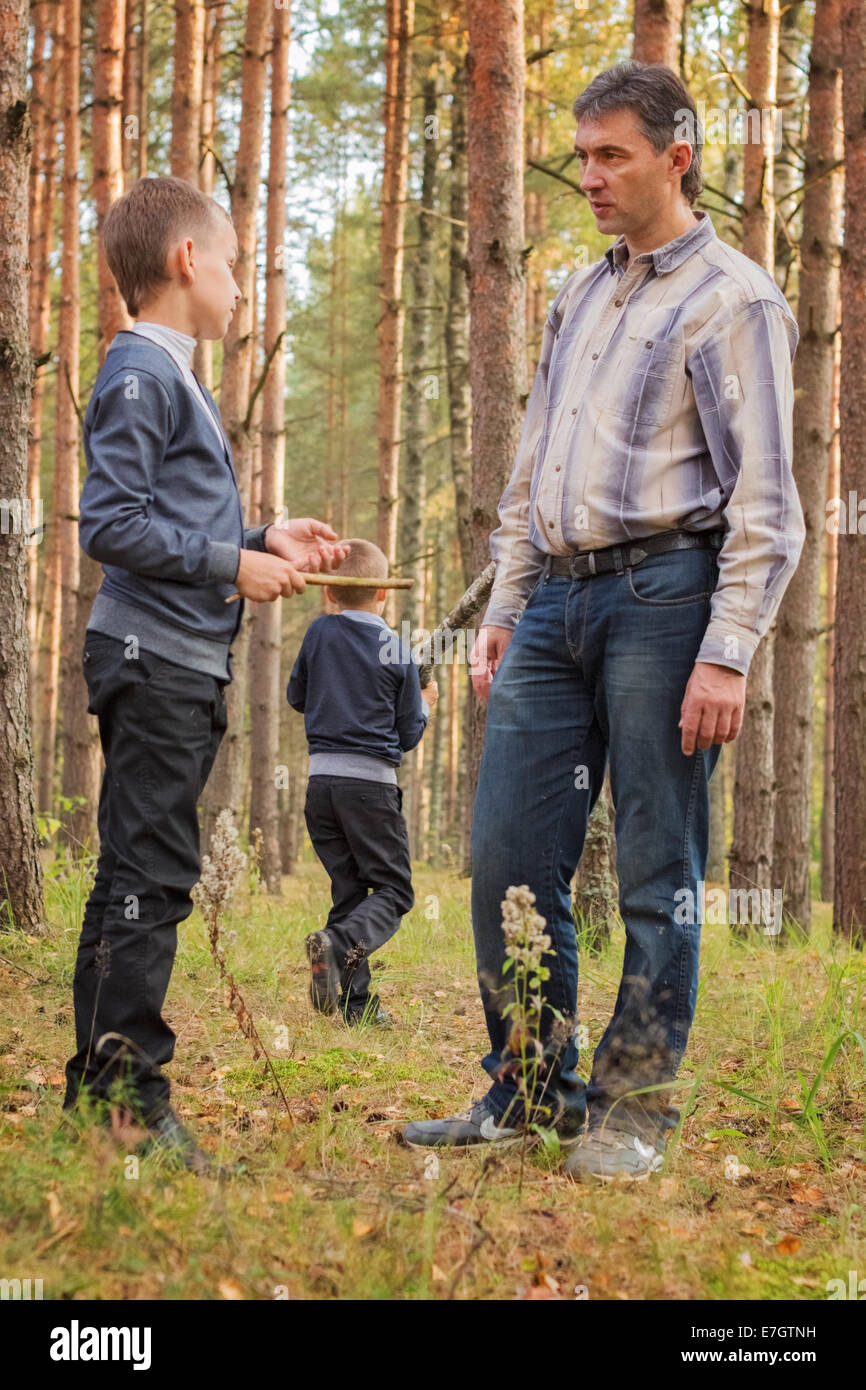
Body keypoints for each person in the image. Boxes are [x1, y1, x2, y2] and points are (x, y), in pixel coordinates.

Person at [403, 61, 806, 1180]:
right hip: (552, 605)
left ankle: (632, 1112)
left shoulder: (733, 298)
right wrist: (507, 600)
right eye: (578, 154)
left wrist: (725, 653)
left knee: (652, 866)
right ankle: (528, 1091)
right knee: (505, 860)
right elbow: (533, 467)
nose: (586, 175)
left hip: (665, 600)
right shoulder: (577, 294)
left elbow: (767, 505)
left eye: (609, 154)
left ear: (675, 156)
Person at [63, 175, 349, 1173]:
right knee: (150, 877)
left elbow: (163, 514)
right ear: (187, 261)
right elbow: (111, 524)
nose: (237, 287)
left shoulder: (169, 375)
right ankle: (129, 1103)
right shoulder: (141, 372)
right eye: (231, 264)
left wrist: (264, 534)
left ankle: (99, 1095)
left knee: (132, 877)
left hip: (171, 658)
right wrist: (234, 562)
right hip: (155, 661)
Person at [288, 539, 439, 1025]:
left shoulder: (317, 634)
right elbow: (408, 734)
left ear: (330, 593)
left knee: (349, 892)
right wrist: (426, 701)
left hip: (321, 787)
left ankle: (355, 1007)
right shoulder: (397, 648)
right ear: (383, 596)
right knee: (394, 892)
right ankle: (334, 945)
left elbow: (297, 697)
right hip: (370, 789)